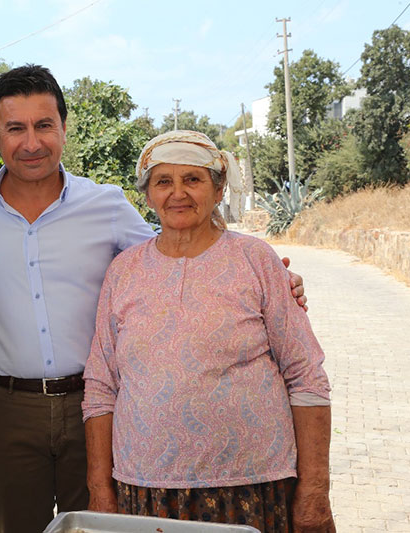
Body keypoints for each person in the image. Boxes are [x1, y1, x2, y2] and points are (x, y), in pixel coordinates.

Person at [0, 65, 308, 533]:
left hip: (94, 405)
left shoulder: (106, 206)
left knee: (100, 523)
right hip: (6, 408)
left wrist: (269, 278)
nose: (32, 142)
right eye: (16, 128)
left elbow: (173, 252)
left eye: (44, 125)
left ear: (64, 129)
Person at [82, 130, 335, 532]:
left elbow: (307, 378)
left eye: (193, 180)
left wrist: (315, 491)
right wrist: (100, 490)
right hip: (146, 492)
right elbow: (100, 388)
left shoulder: (256, 260)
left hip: (253, 487)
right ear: (147, 195)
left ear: (218, 191)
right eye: (163, 181)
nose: (177, 193)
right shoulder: (123, 271)